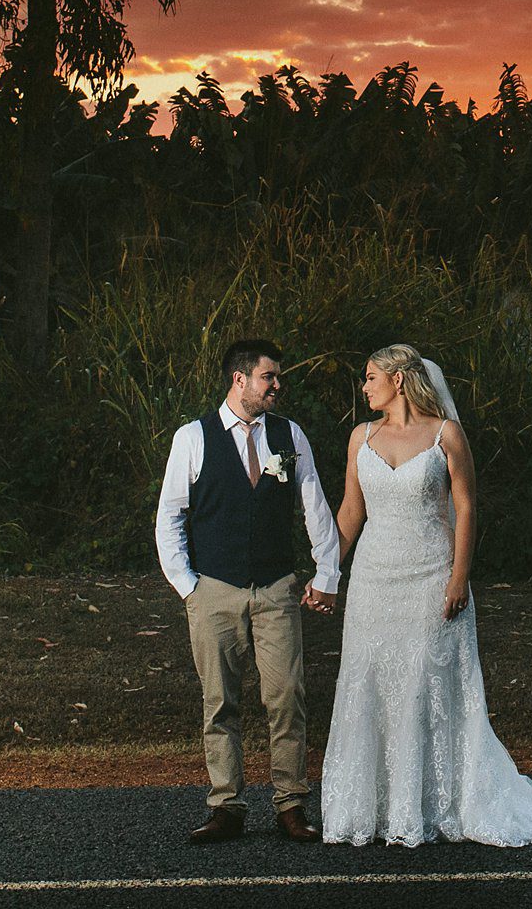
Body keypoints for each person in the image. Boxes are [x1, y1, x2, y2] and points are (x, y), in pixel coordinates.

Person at [319, 342, 532, 847]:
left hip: (431, 575)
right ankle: (378, 807)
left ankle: (433, 803)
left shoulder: (445, 434)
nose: (364, 387)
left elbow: (466, 507)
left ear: (398, 380)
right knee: (372, 683)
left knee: (425, 685)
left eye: (370, 377)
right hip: (373, 581)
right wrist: (325, 572)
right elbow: (350, 511)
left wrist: (458, 578)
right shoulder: (360, 437)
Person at [155, 337, 342, 844]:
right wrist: (189, 587)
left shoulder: (289, 433)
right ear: (240, 379)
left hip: (277, 588)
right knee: (220, 702)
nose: (277, 385)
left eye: (277, 377)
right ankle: (226, 806)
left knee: (287, 697)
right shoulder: (193, 437)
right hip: (214, 590)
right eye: (268, 377)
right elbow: (170, 517)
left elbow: (315, 506)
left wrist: (327, 574)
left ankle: (291, 803)